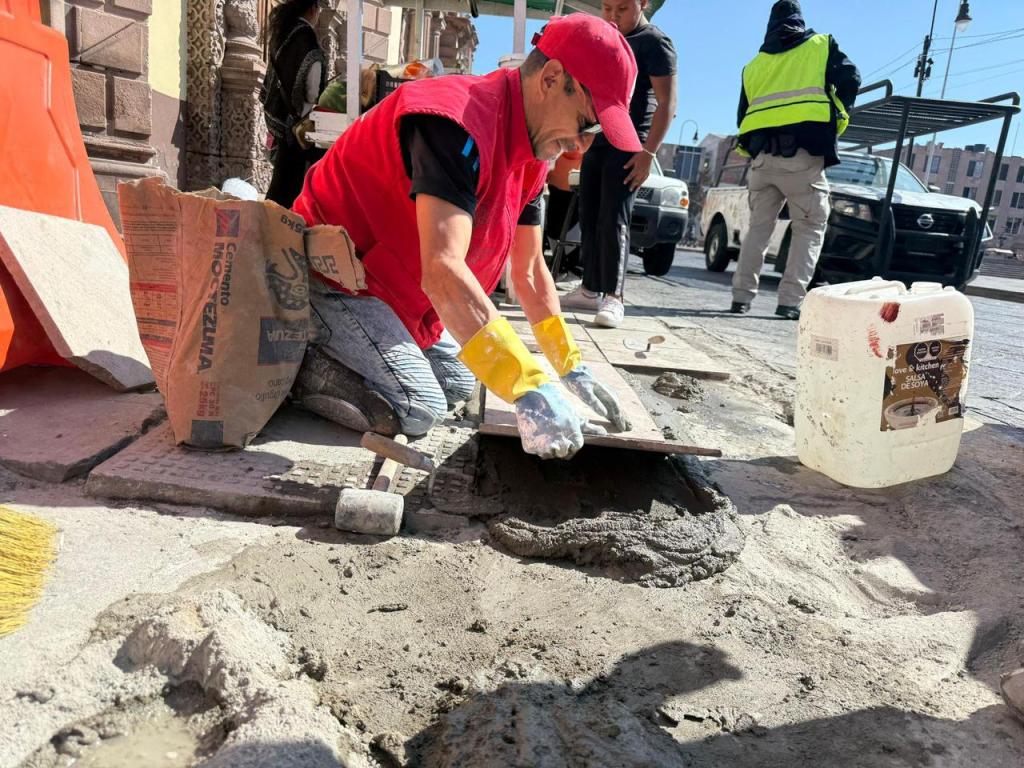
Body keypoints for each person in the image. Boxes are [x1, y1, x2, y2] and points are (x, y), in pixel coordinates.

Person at [290, 14, 640, 460]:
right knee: (417, 408)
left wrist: (570, 366)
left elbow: (530, 271)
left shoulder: (531, 152)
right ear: (551, 79)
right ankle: (295, 362)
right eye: (586, 124)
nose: (581, 147)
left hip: (396, 291)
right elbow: (443, 270)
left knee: (459, 384)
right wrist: (528, 387)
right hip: (336, 280)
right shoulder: (455, 123)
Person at [730, 0, 860, 320]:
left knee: (758, 230)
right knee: (809, 227)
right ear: (799, 22)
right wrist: (837, 117)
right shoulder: (819, 45)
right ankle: (789, 301)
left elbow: (742, 116)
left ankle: (741, 298)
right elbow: (851, 79)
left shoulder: (754, 66)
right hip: (802, 158)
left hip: (761, 161)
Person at [562, 0, 678, 328]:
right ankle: (588, 290)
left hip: (631, 143)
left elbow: (667, 103)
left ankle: (614, 297)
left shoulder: (655, 42)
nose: (613, 16)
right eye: (607, 8)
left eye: (622, 9)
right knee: (589, 214)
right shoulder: (604, 37)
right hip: (598, 139)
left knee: (615, 218)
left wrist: (648, 154)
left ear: (642, 3)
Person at [261, 0, 327, 208]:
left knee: (281, 178)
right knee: (293, 184)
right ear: (312, 9)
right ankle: (281, 226)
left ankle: (271, 219)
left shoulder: (283, 34)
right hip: (299, 125)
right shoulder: (305, 37)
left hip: (278, 119)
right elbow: (311, 88)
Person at [544, 148, 584, 275]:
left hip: (574, 182)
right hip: (558, 180)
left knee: (569, 228)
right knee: (553, 229)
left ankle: (569, 267)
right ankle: (561, 264)